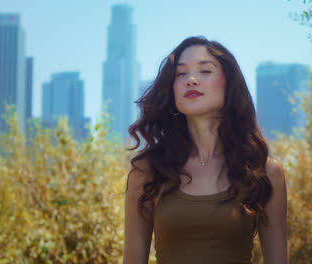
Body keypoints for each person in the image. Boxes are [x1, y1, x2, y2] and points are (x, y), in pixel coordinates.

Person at [123, 36, 287, 264]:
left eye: (205, 71)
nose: (191, 80)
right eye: (180, 74)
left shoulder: (265, 171)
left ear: (229, 83)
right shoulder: (148, 170)